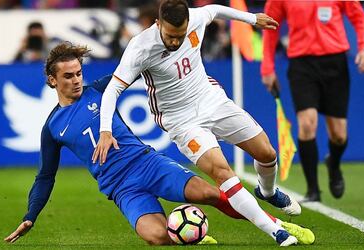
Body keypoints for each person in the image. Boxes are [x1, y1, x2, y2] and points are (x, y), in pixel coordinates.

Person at [4, 42, 314, 246]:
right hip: (120, 188)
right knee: (155, 236)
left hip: (147, 164)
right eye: (68, 76)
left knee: (209, 192)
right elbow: (45, 176)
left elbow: (138, 68)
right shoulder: (52, 127)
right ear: (52, 80)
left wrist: (165, 48)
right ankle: (190, 231)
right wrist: (30, 215)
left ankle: (273, 222)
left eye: (78, 73)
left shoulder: (100, 90)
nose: (75, 80)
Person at [93, 0, 302, 243]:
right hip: (180, 120)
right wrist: (105, 130)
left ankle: (268, 191)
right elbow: (112, 90)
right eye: (170, 36)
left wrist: (252, 19)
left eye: (180, 36)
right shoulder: (140, 47)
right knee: (224, 173)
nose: (175, 42)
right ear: (158, 23)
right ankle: (275, 231)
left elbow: (215, 9)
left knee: (266, 153)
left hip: (210, 99)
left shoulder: (195, 18)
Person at [261, 0, 364, 202]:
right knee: (307, 124)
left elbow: (359, 17)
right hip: (302, 65)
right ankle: (313, 190)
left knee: (339, 135)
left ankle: (334, 163)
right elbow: (270, 27)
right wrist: (267, 68)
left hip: (335, 63)